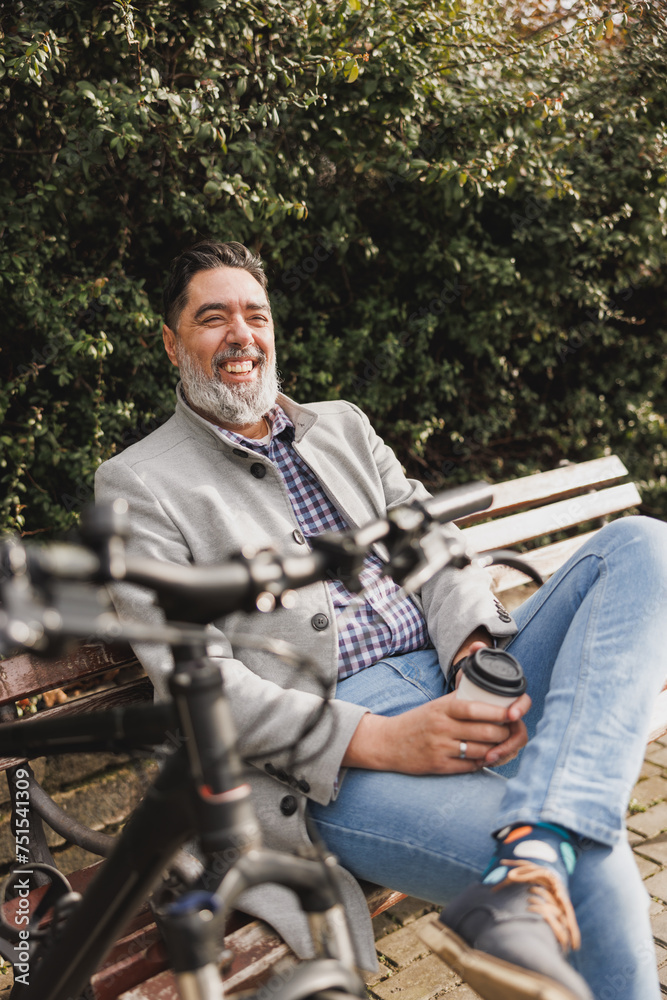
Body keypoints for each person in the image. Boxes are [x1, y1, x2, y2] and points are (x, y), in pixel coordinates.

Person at [95, 239, 667, 1000]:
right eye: (212, 318)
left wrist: (471, 660)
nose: (241, 334)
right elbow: (199, 687)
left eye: (255, 315)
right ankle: (546, 844)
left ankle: (540, 830)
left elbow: (433, 546)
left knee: (641, 543)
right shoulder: (137, 483)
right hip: (337, 760)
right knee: (589, 867)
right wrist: (389, 737)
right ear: (171, 342)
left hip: (461, 682)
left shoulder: (341, 425)